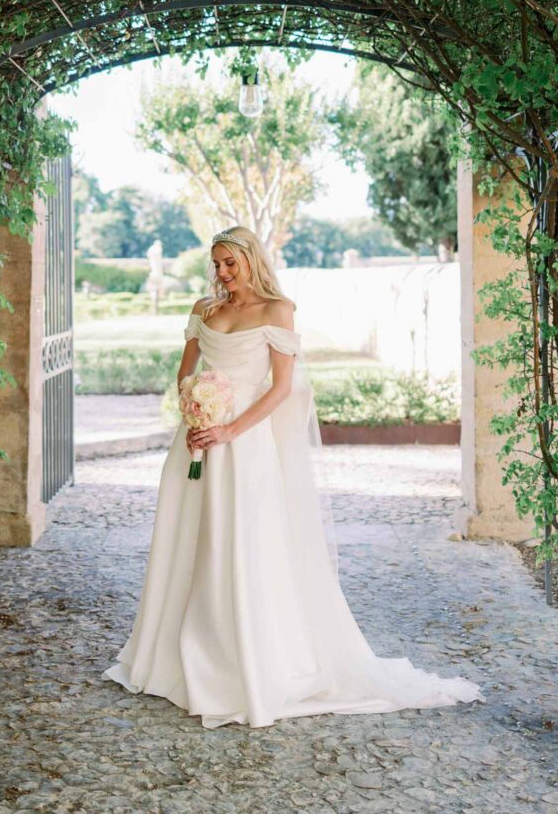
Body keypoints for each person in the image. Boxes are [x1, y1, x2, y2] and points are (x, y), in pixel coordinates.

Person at [101, 225, 485, 728]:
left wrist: (228, 429)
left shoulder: (277, 311)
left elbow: (281, 389)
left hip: (243, 443)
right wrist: (196, 413)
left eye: (229, 264)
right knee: (187, 537)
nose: (220, 273)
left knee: (239, 542)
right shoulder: (203, 310)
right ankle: (174, 651)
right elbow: (185, 375)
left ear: (250, 260)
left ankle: (248, 658)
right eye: (215, 264)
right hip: (196, 439)